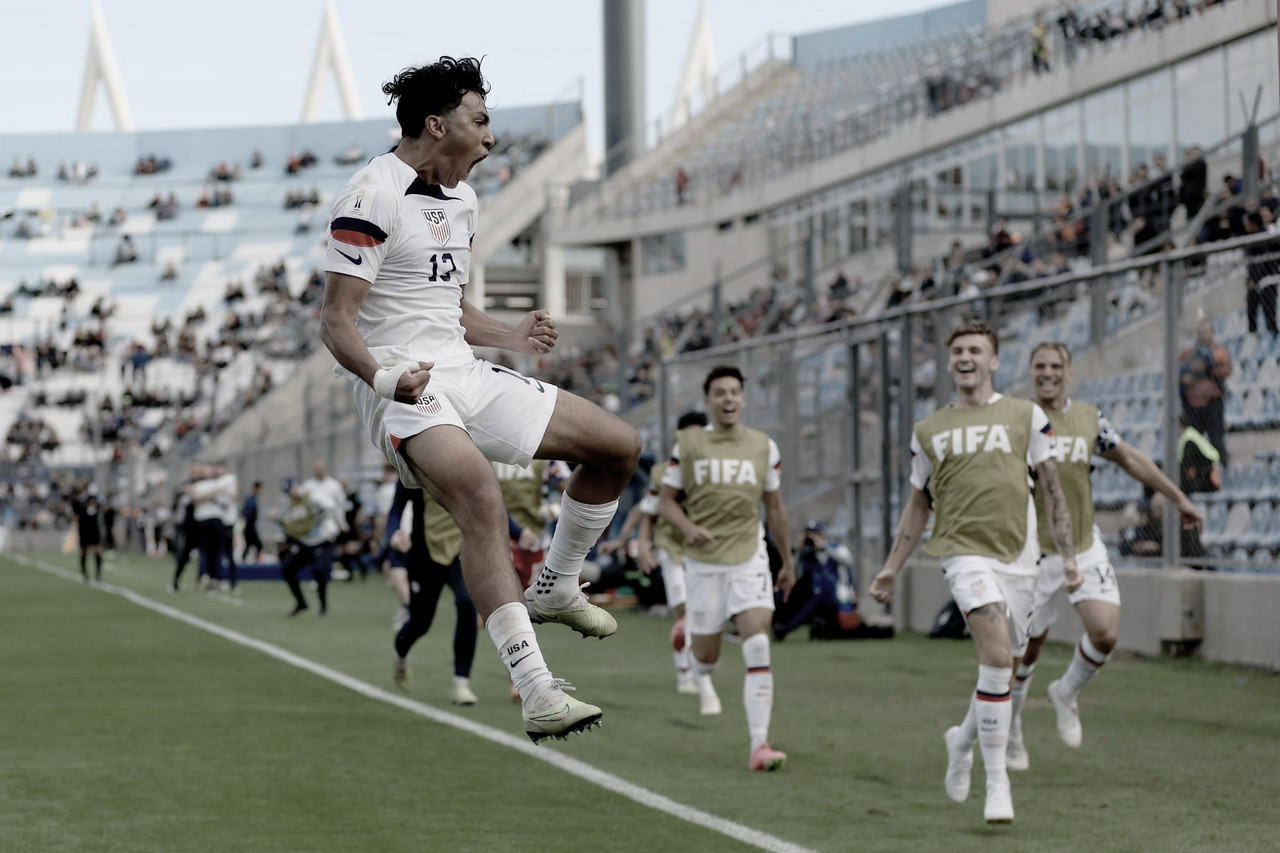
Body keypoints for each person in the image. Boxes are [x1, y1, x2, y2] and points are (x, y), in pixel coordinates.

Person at [319, 56, 642, 743]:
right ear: (438, 125)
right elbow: (335, 320)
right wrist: (383, 379)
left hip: (464, 372)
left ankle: (556, 583)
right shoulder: (370, 193)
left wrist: (512, 333)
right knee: (481, 497)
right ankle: (537, 691)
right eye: (481, 120)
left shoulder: (463, 202)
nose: (491, 138)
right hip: (402, 386)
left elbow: (445, 304)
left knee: (619, 445)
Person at [869, 323, 1079, 825]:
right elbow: (918, 505)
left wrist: (1067, 555)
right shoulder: (929, 431)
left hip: (1021, 555)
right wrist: (891, 567)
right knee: (993, 653)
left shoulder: (1026, 416)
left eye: (975, 350)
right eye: (958, 350)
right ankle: (997, 785)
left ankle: (960, 741)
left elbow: (1051, 489)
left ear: (994, 361)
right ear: (948, 363)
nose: (965, 357)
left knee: (1006, 662)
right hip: (962, 552)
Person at [1008, 342, 1205, 770]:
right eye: (1039, 366)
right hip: (1030, 553)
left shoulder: (1087, 419)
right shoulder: (1015, 421)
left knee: (1105, 634)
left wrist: (1177, 497)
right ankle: (1012, 726)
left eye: (1056, 366)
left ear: (1069, 373)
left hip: (1082, 544)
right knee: (1026, 650)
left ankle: (1065, 692)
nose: (1047, 373)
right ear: (1030, 373)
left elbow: (1130, 458)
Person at [657, 366, 796, 771]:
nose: (729, 399)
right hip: (702, 563)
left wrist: (788, 560)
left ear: (744, 398)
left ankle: (759, 745)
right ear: (708, 401)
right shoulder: (688, 445)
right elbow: (666, 501)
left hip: (749, 556)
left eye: (735, 392)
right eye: (720, 393)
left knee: (757, 641)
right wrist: (688, 527)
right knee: (708, 659)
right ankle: (690, 641)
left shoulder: (763, 447)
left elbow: (775, 508)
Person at [632, 410, 708, 693]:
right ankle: (684, 674)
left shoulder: (711, 471)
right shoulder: (663, 472)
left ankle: (697, 667)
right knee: (683, 607)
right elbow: (649, 512)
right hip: (670, 547)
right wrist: (642, 543)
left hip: (702, 550)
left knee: (700, 612)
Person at [387, 481, 479, 705]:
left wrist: (517, 532)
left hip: (460, 551)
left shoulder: (469, 460)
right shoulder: (415, 463)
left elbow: (493, 503)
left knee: (467, 603)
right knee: (420, 622)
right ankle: (399, 652)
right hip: (423, 556)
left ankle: (461, 683)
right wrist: (394, 533)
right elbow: (396, 509)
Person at [278, 476, 346, 617]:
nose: (291, 494)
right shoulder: (292, 505)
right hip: (308, 542)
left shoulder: (312, 496)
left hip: (323, 539)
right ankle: (301, 602)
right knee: (288, 569)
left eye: (291, 490)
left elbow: (331, 505)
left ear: (296, 485)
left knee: (319, 570)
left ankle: (323, 607)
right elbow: (292, 525)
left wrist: (337, 521)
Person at [1177, 318, 1232, 464]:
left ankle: (1221, 471)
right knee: (1192, 443)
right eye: (1201, 332)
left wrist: (1208, 367)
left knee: (1216, 440)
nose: (1204, 335)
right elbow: (1176, 373)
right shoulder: (1188, 354)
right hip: (1192, 405)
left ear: (1212, 333)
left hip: (1212, 404)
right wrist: (1186, 377)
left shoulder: (1219, 352)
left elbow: (1226, 369)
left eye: (1207, 332)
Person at [70, 484, 104, 582]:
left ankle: (98, 574)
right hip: (84, 529)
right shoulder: (78, 502)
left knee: (97, 551)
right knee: (84, 551)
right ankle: (84, 575)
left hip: (94, 529)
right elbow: (75, 516)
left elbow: (104, 508)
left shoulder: (97, 501)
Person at [241, 481, 264, 562]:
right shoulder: (252, 500)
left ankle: (244, 559)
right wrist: (244, 524)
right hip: (250, 526)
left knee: (249, 545)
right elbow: (247, 513)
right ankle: (258, 562)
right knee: (259, 545)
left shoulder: (251, 499)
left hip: (249, 526)